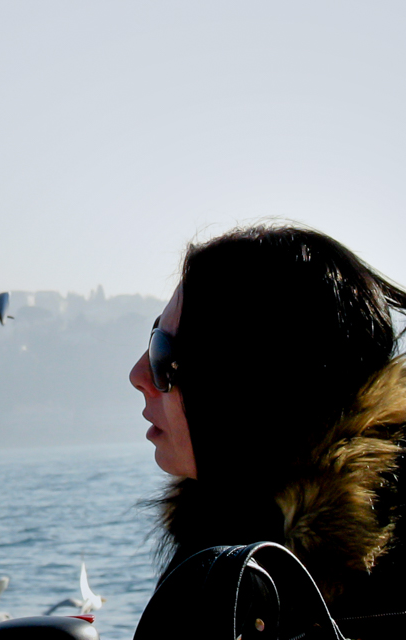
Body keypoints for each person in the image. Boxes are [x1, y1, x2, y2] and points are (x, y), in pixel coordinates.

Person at [129, 225, 406, 638]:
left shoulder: (382, 593)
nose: (138, 376)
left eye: (164, 355)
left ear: (249, 383)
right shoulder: (215, 537)